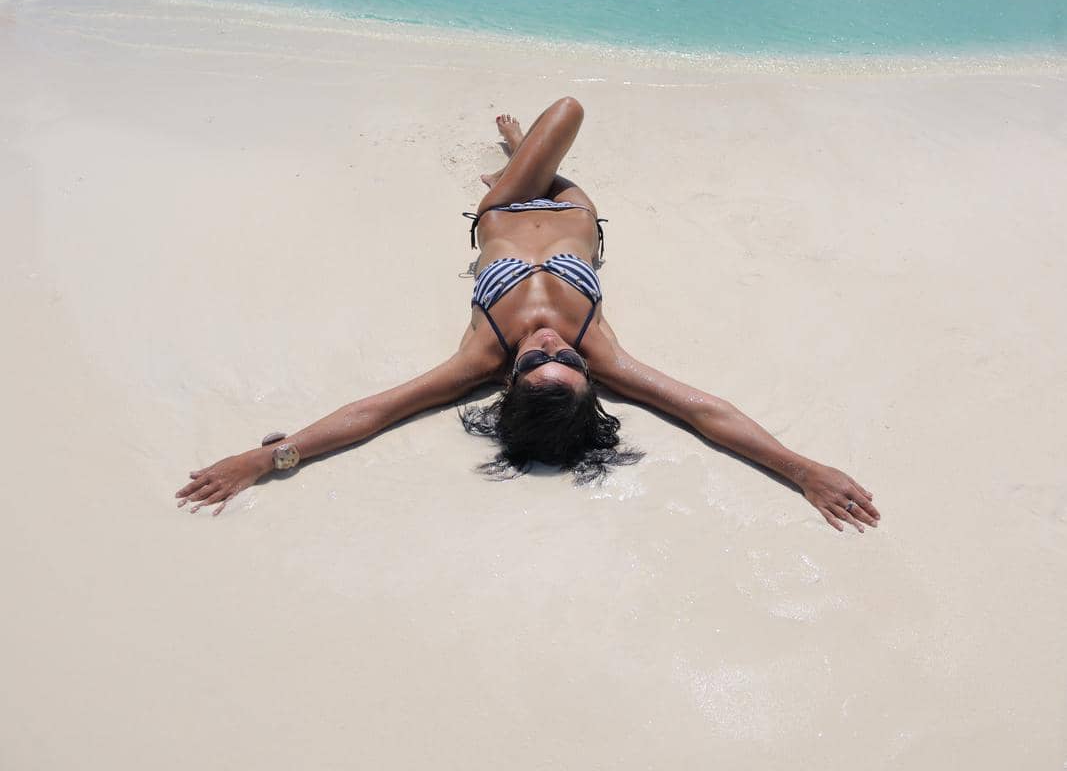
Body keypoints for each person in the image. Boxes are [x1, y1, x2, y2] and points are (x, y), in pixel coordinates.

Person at [176, 97, 879, 531]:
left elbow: (375, 412)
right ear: (588, 377)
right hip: (573, 208)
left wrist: (266, 459)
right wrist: (800, 470)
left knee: (561, 118)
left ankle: (518, 163)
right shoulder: (603, 355)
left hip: (505, 209)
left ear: (510, 384)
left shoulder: (478, 360)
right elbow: (705, 413)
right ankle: (525, 155)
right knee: (567, 113)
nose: (550, 345)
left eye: (537, 362)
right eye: (568, 362)